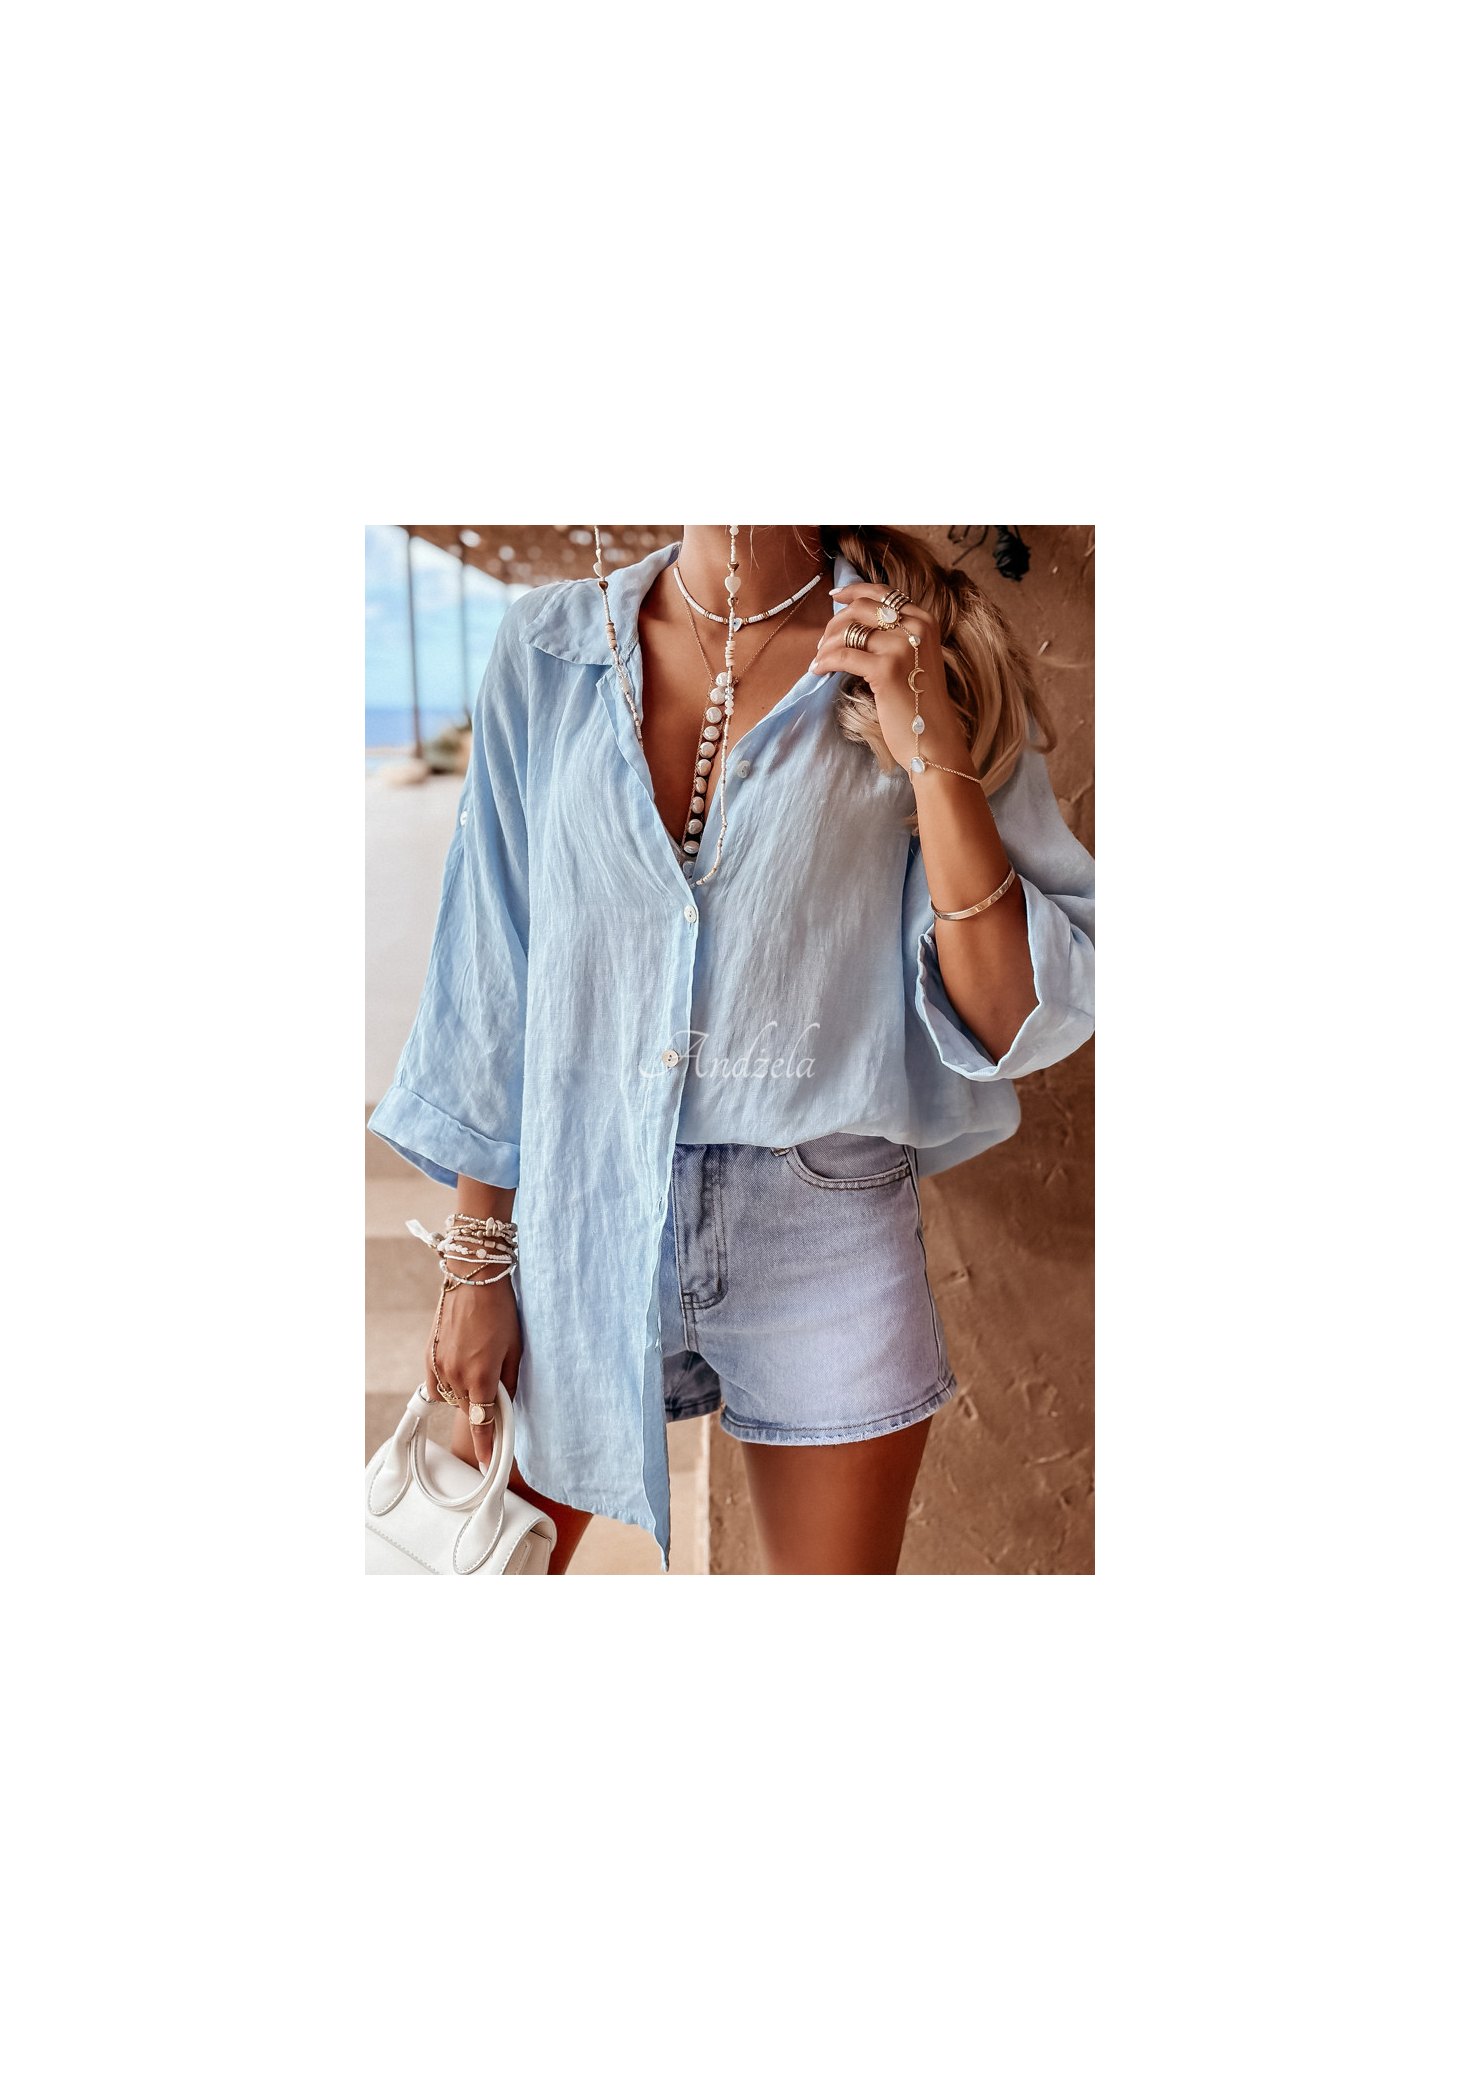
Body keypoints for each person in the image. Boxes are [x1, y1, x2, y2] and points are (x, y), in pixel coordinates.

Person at [368, 526, 1095, 1574]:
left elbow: (1009, 1017)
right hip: (578, 1207)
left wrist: (933, 754)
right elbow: (493, 970)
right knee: (481, 1571)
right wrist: (476, 1260)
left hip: (823, 1228)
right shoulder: (549, 647)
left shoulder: (922, 649)